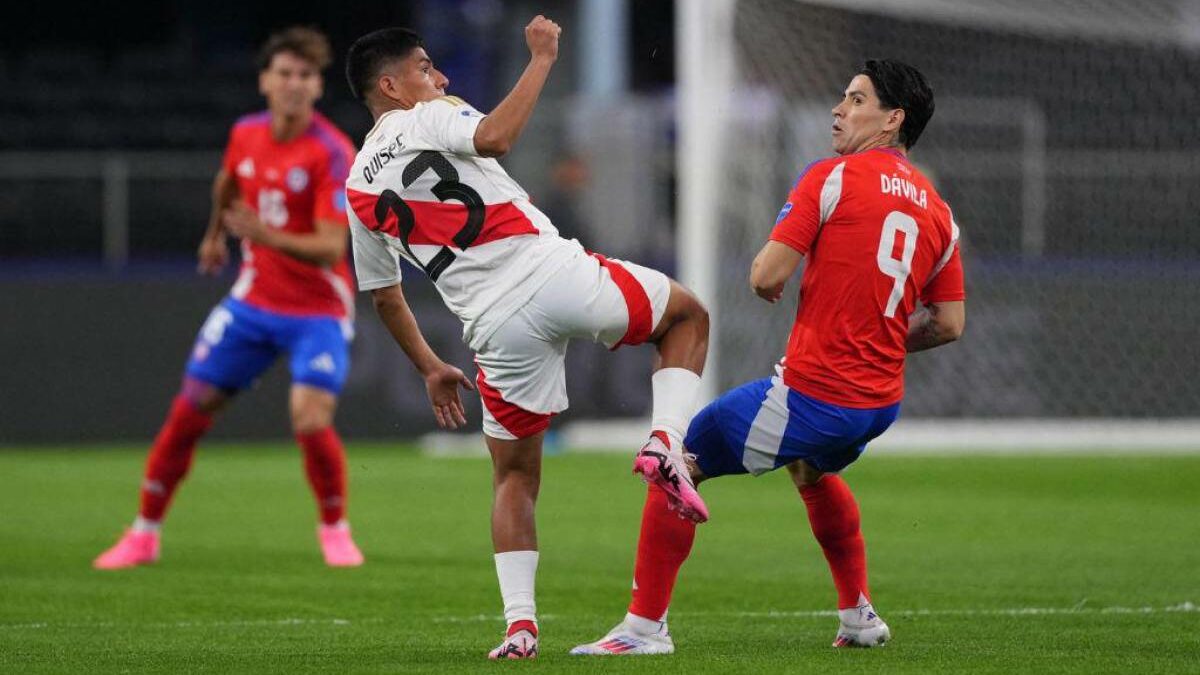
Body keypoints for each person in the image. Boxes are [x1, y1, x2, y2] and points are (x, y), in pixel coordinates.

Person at [342, 16, 711, 659]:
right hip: (546, 270)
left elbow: (383, 295)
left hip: (491, 325)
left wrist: (430, 366)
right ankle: (666, 444)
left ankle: (519, 627)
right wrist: (541, 58)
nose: (441, 76)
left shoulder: (356, 186)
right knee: (687, 318)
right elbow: (496, 137)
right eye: (428, 66)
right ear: (392, 84)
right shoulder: (427, 115)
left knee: (513, 478)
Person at [573, 59, 966, 655]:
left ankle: (643, 629)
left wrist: (773, 279)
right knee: (812, 470)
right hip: (877, 405)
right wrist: (882, 338)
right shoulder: (940, 212)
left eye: (856, 99)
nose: (839, 108)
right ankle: (858, 617)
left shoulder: (831, 178)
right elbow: (949, 323)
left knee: (675, 462)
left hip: (815, 393)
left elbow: (764, 275)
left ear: (893, 119)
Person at [94, 27, 364, 570]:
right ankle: (144, 533)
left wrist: (262, 236)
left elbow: (330, 245)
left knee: (310, 418)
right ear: (265, 80)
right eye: (284, 73)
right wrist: (215, 234)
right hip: (253, 302)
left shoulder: (332, 153)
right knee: (190, 410)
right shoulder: (245, 133)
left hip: (318, 309)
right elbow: (227, 182)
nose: (293, 85)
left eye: (305, 76)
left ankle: (334, 527)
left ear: (317, 87)